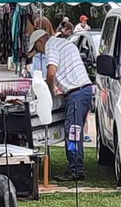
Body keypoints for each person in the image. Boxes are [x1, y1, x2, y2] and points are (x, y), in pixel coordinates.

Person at [29, 19, 93, 181]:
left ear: (40, 40)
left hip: (76, 94)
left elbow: (51, 72)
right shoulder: (64, 43)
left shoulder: (51, 45)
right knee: (74, 131)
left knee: (72, 132)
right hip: (82, 91)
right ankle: (76, 166)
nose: (39, 52)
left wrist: (49, 91)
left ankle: (76, 169)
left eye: (37, 48)